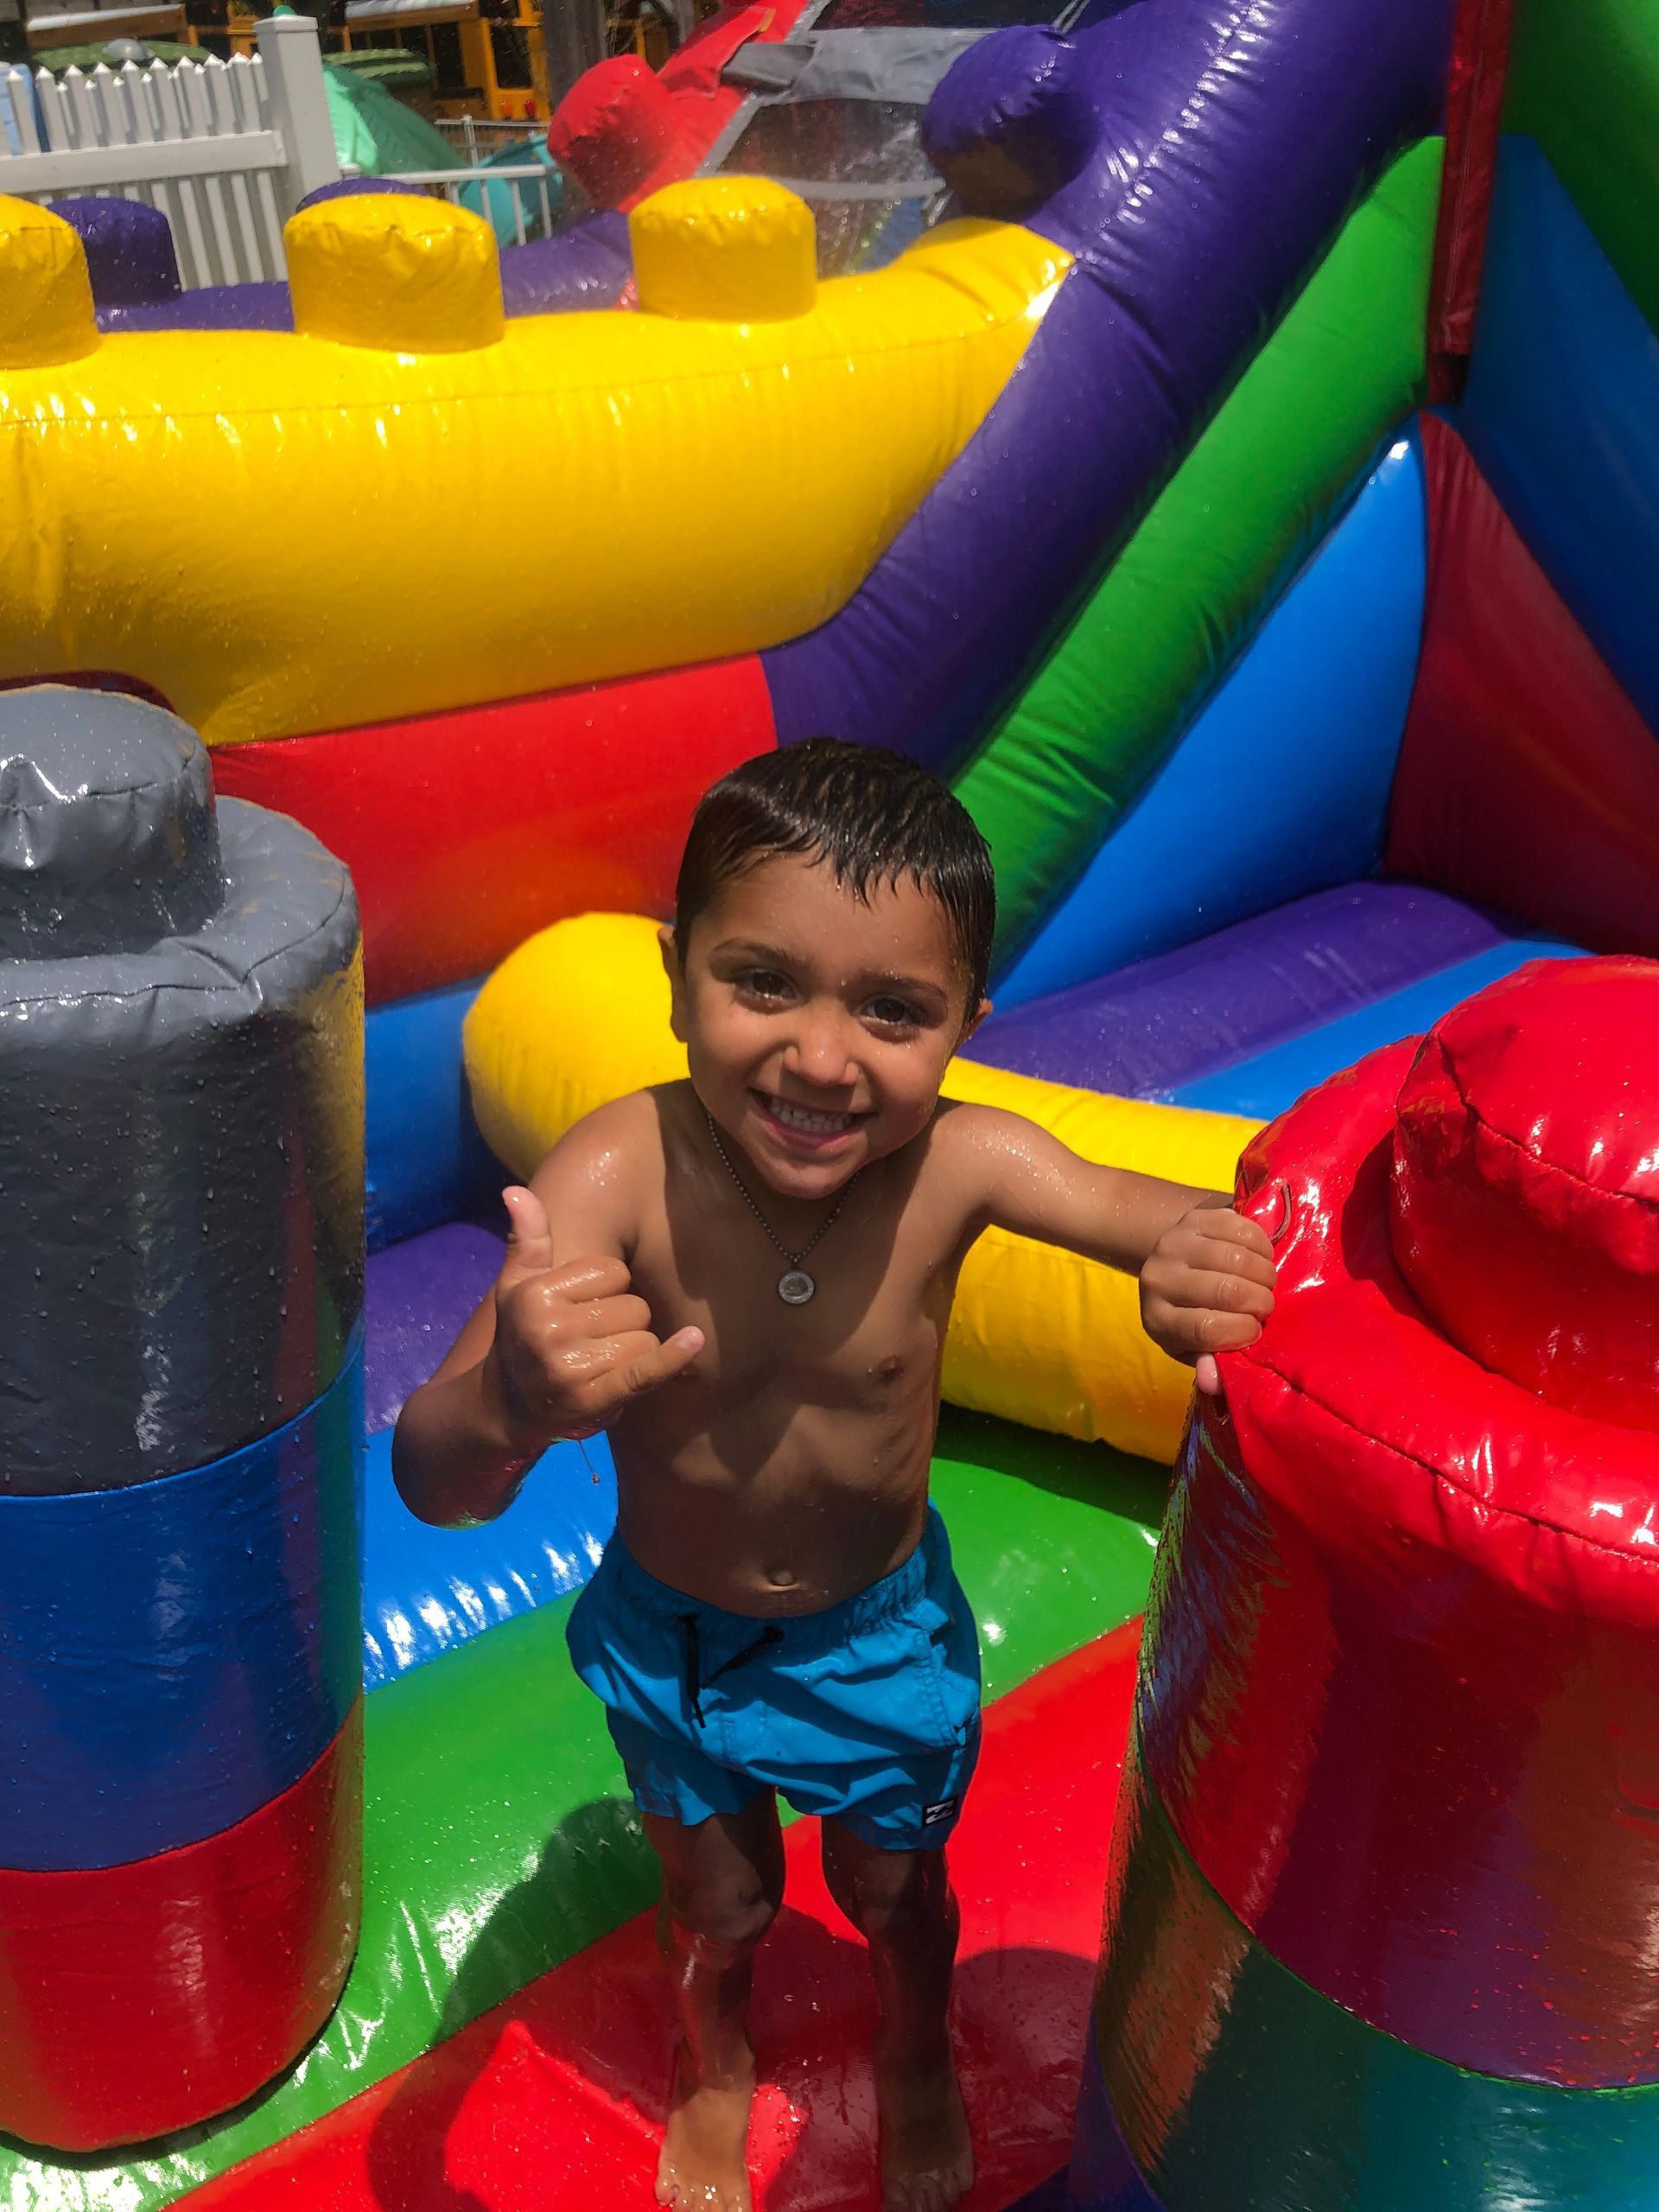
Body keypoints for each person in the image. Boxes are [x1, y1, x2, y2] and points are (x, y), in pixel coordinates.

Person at [393, 741, 1277, 2212]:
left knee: (894, 1896)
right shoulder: (617, 1174)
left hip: (876, 1637)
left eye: (891, 1010)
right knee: (719, 1902)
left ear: (963, 1027)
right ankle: (715, 2057)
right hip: (672, 1636)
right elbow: (437, 1481)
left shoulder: (964, 1163)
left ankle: (916, 2047)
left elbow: (1158, 1207)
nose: (821, 1056)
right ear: (676, 980)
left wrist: (1199, 1259)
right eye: (764, 984)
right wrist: (512, 1398)